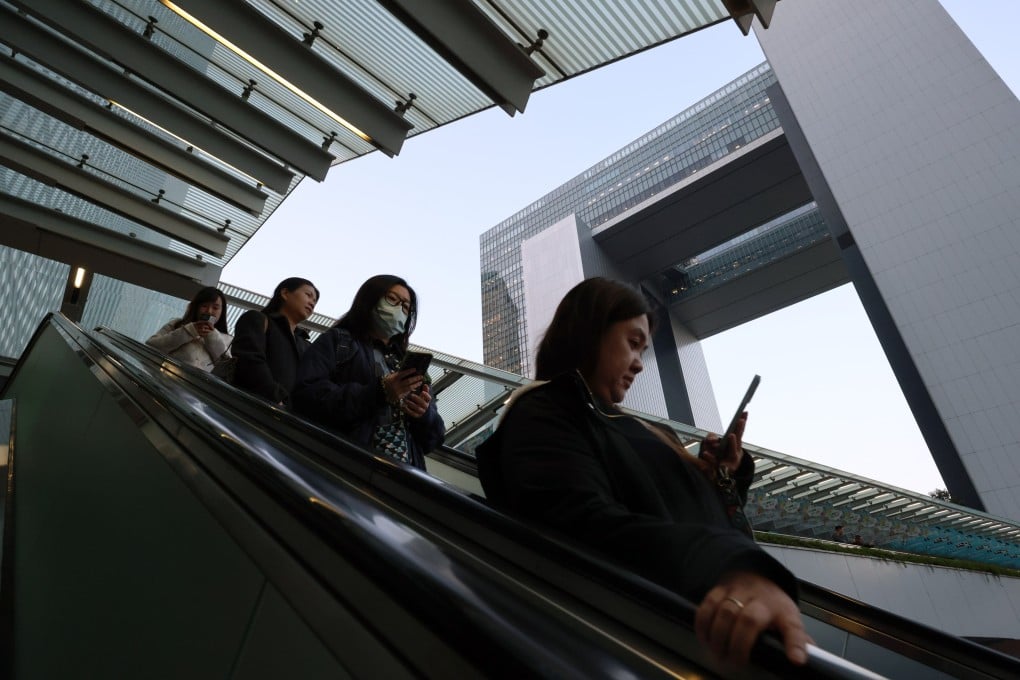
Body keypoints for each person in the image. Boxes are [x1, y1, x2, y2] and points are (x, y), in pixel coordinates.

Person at [476, 278, 810, 667]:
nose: (639, 363)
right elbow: (584, 526)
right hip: (659, 641)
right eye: (632, 342)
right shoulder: (545, 411)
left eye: (644, 349)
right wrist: (727, 565)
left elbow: (684, 511)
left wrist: (723, 475)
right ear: (589, 332)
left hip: (706, 624)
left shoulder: (638, 425)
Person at [292, 275, 444, 470]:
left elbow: (435, 439)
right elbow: (306, 396)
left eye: (406, 307)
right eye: (392, 299)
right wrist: (379, 392)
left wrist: (423, 414)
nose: (399, 310)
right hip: (349, 469)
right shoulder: (338, 341)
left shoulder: (409, 364)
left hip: (406, 477)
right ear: (370, 299)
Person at [231, 277, 319, 406]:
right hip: (248, 407)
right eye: (308, 295)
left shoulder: (306, 345)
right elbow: (249, 360)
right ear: (285, 293)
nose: (312, 303)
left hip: (286, 417)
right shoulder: (257, 319)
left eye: (314, 301)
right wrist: (277, 398)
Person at [146, 287, 231, 371]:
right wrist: (189, 331)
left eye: (215, 308)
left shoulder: (228, 340)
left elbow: (226, 369)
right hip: (166, 380)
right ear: (196, 307)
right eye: (204, 306)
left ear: (222, 311)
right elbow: (152, 345)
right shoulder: (176, 324)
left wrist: (212, 336)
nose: (209, 311)